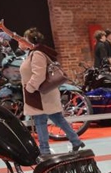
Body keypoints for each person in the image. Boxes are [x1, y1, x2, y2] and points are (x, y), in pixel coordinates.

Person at [19, 27, 84, 156]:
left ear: (28, 40)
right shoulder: (34, 53)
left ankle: (45, 151)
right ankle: (76, 140)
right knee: (57, 118)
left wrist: (30, 88)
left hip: (40, 95)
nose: (20, 42)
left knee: (40, 121)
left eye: (22, 39)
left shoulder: (37, 54)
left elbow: (39, 75)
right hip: (42, 94)